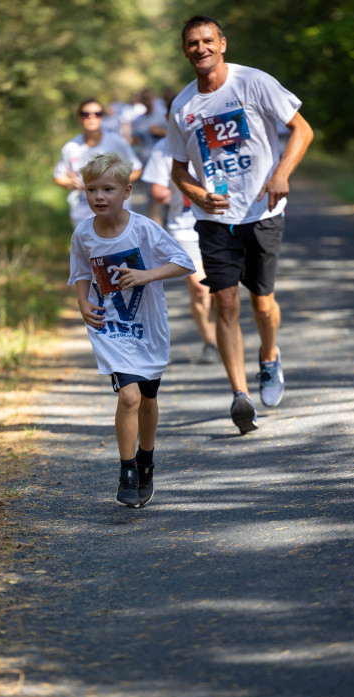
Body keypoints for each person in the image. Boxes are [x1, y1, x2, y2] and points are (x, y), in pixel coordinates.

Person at [168, 15, 314, 434]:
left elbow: (302, 131)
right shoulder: (183, 107)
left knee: (261, 302)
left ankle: (269, 357)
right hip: (214, 219)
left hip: (262, 211)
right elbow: (179, 171)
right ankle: (240, 394)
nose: (201, 48)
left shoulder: (253, 83)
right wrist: (196, 194)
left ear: (223, 44)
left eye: (208, 40)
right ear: (185, 51)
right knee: (224, 302)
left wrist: (281, 174)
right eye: (192, 43)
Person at [68, 153, 195, 507]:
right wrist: (82, 302)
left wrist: (147, 274)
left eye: (108, 189)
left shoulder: (143, 228)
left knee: (148, 398)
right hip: (109, 325)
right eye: (92, 189)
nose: (99, 197)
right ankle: (126, 470)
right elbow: (80, 273)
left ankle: (146, 460)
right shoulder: (84, 233)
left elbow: (183, 263)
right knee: (129, 396)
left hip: (147, 324)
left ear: (126, 191)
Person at [142, 134, 219, 364]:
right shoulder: (163, 148)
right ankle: (210, 343)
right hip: (183, 227)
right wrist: (164, 192)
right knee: (199, 287)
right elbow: (156, 191)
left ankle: (223, 330)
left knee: (220, 289)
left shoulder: (215, 133)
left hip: (222, 223)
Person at [54, 99, 143, 228]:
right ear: (80, 117)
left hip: (116, 214)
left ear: (102, 117)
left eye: (97, 114)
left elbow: (137, 169)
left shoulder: (116, 142)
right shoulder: (71, 147)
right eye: (86, 114)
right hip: (82, 214)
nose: (91, 118)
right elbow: (58, 176)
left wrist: (116, 184)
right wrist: (70, 182)